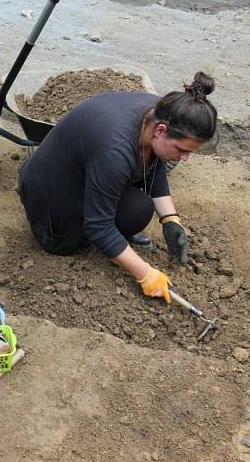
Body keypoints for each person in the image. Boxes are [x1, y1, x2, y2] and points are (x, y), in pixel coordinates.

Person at [17, 72, 218, 304]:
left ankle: (114, 242)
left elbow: (154, 163)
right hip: (49, 191)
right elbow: (99, 226)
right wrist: (145, 274)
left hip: (86, 174)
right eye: (182, 150)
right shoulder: (114, 151)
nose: (185, 158)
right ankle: (67, 231)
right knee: (65, 243)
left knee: (138, 209)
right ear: (161, 131)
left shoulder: (160, 113)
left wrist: (170, 219)